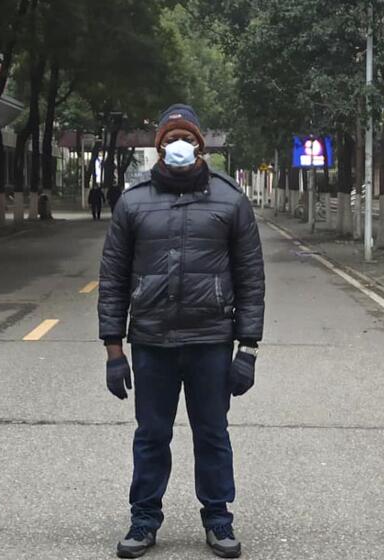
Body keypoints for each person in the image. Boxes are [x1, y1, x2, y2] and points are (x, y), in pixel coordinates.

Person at [98, 103, 265, 559]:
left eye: (186, 138)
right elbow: (112, 278)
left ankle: (218, 519)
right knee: (151, 436)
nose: (178, 145)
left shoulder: (230, 200)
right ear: (159, 147)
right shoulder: (132, 203)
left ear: (199, 145)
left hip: (211, 340)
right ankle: (144, 519)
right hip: (151, 342)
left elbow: (250, 278)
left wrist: (247, 349)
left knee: (212, 433)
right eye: (170, 138)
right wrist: (114, 351)